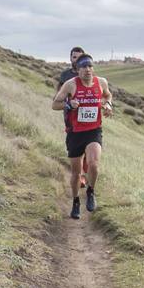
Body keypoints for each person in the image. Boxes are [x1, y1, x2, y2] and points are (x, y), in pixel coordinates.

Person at [50, 54, 112, 214]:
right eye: (83, 67)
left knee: (94, 163)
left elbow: (108, 95)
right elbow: (55, 104)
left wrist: (108, 105)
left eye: (90, 66)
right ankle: (76, 201)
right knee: (76, 173)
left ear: (93, 68)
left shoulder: (101, 82)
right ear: (77, 70)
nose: (87, 70)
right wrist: (69, 104)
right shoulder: (70, 85)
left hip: (94, 130)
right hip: (75, 133)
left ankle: (91, 191)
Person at [58, 47, 89, 212]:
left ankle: (83, 175)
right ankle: (79, 173)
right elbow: (58, 95)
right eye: (74, 57)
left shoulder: (87, 73)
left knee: (88, 147)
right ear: (70, 58)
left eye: (79, 57)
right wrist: (67, 104)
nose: (76, 60)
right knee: (75, 148)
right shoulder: (65, 76)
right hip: (70, 116)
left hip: (88, 118)